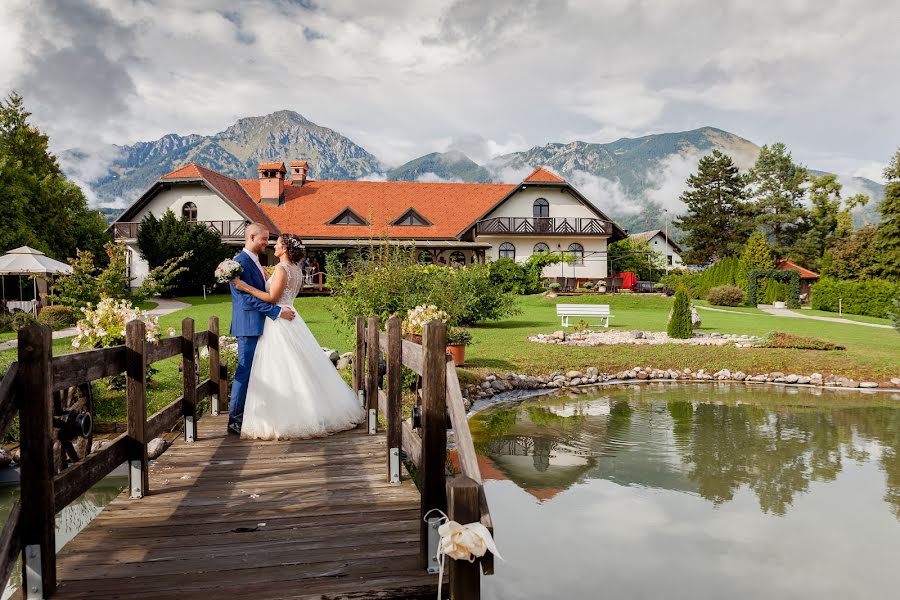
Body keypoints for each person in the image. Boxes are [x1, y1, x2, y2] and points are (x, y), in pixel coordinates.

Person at [232, 234, 364, 439]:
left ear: (284, 249)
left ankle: (285, 415)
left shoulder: (282, 269)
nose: (273, 246)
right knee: (298, 365)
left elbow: (272, 298)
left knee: (280, 367)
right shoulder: (296, 270)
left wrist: (244, 286)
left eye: (276, 244)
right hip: (291, 315)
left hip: (279, 320)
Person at [227, 224, 295, 435]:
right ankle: (234, 420)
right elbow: (245, 298)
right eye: (264, 239)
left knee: (261, 372)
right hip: (248, 325)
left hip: (262, 325)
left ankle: (255, 414)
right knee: (244, 371)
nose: (267, 243)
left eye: (268, 240)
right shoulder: (238, 263)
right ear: (251, 237)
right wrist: (275, 311)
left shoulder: (256, 261)